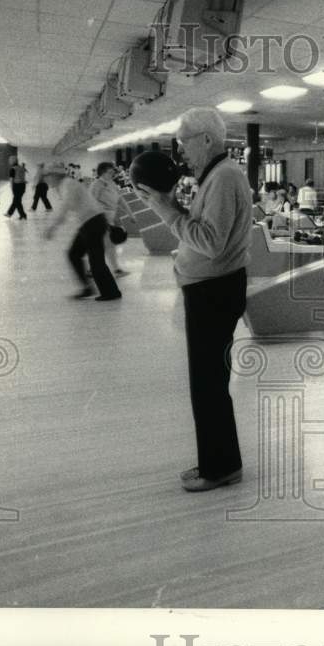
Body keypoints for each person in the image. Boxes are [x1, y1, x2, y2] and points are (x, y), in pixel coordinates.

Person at [137, 107, 252, 494]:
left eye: (185, 139)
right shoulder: (216, 176)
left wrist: (166, 210)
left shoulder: (224, 178)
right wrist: (173, 206)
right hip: (210, 290)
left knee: (208, 385)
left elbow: (210, 243)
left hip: (214, 292)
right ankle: (218, 462)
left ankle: (220, 469)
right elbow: (204, 230)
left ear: (206, 139)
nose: (180, 147)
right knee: (207, 383)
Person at [42, 163, 122, 302]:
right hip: (89, 223)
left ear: (55, 176)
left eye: (47, 176)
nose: (46, 180)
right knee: (74, 254)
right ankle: (88, 288)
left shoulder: (68, 184)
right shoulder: (63, 186)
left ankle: (111, 292)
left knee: (95, 259)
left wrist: (52, 227)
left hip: (93, 222)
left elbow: (65, 208)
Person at [89, 162, 127, 278]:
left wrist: (130, 214)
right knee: (108, 244)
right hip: (100, 218)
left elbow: (120, 200)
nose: (113, 174)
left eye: (113, 172)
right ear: (102, 173)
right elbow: (91, 202)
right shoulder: (96, 184)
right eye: (110, 172)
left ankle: (93, 269)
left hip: (109, 217)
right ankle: (116, 270)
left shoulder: (112, 184)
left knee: (104, 245)